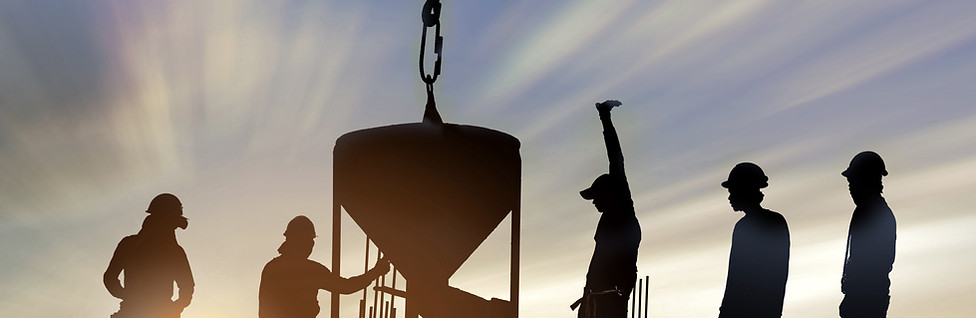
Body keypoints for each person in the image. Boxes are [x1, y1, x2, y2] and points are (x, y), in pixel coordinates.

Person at [572, 100, 641, 318]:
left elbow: (616, 158)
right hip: (595, 299)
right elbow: (597, 260)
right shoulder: (608, 219)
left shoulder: (623, 211)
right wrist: (586, 297)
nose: (593, 202)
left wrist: (605, 117)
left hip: (611, 302)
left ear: (609, 194)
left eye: (596, 197)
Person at [259, 215, 391, 318]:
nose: (311, 245)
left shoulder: (271, 268)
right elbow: (346, 287)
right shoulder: (310, 270)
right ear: (301, 242)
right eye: (309, 241)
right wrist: (376, 272)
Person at [104, 193, 195, 318]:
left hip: (139, 310)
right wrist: (175, 307)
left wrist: (126, 295)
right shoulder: (175, 252)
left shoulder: (130, 244)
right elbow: (187, 287)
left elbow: (110, 278)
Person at [718, 163, 790, 318]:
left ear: (745, 190)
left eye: (733, 191)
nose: (730, 197)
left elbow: (737, 278)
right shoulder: (747, 226)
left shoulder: (766, 223)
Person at [839, 151, 896, 318]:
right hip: (861, 297)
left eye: (853, 181)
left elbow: (874, 263)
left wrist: (857, 294)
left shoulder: (875, 213)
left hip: (865, 299)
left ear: (867, 179)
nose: (850, 188)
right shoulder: (867, 211)